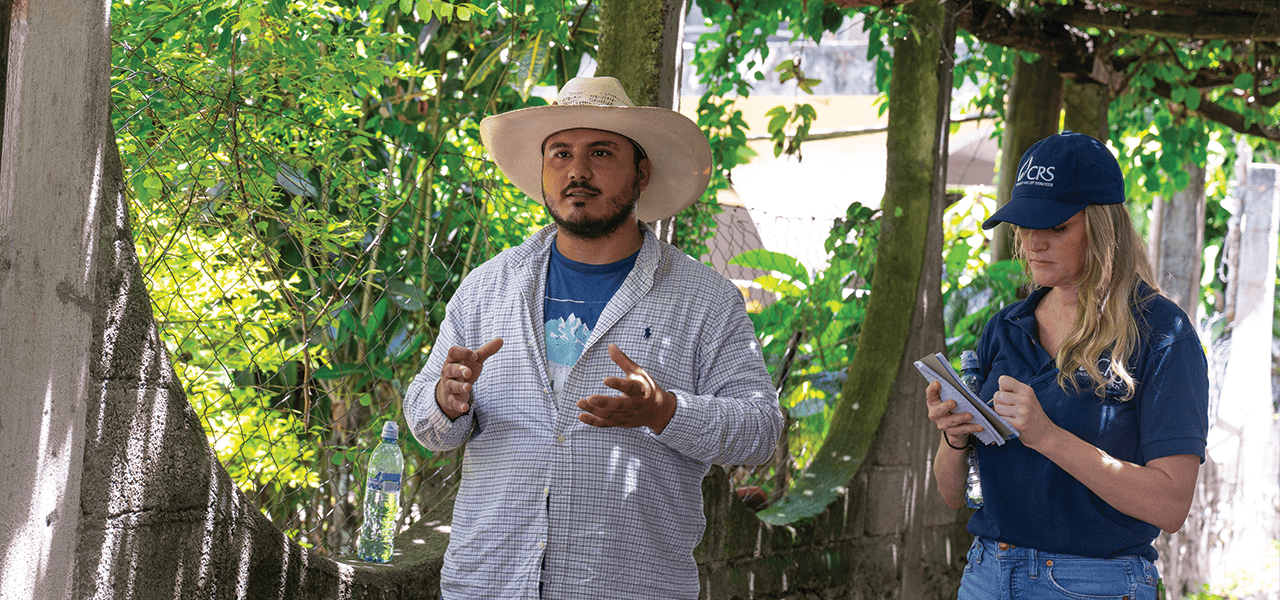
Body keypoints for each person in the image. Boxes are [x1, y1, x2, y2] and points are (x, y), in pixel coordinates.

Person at [403, 76, 783, 600]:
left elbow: (761, 431)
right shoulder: (488, 288)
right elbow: (426, 426)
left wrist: (665, 411)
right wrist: (446, 401)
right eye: (560, 153)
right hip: (486, 583)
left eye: (600, 153)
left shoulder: (705, 300)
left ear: (642, 173)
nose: (577, 171)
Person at [926, 132, 1209, 599]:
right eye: (1024, 224)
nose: (1034, 243)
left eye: (1056, 227)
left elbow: (1171, 505)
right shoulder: (1006, 327)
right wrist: (954, 437)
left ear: (1103, 228)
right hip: (986, 573)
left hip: (1093, 583)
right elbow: (953, 495)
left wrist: (1049, 437)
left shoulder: (1162, 334)